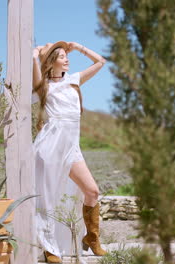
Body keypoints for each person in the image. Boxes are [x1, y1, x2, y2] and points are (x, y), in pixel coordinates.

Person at [31, 41, 107, 263]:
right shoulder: (44, 86)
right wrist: (36, 54)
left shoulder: (74, 80)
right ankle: (49, 247)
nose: (67, 59)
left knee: (92, 191)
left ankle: (91, 237)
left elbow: (101, 61)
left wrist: (79, 47)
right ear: (51, 61)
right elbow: (35, 71)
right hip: (50, 146)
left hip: (72, 147)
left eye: (67, 55)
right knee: (48, 198)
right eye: (62, 56)